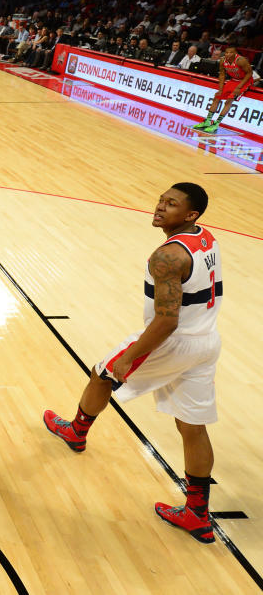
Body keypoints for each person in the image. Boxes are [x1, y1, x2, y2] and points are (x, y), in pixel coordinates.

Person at [44, 183, 221, 545]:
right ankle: (197, 515)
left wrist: (129, 358)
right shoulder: (205, 238)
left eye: (171, 204)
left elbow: (166, 320)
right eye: (161, 199)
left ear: (191, 215)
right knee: (193, 427)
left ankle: (76, 431)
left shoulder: (168, 256)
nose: (160, 207)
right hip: (206, 341)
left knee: (101, 373)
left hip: (173, 341)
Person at [192, 46, 253, 134]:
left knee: (228, 101)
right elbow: (222, 75)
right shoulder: (222, 60)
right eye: (227, 52)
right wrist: (220, 89)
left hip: (245, 81)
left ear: (235, 53)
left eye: (231, 52)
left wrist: (239, 87)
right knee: (217, 97)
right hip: (233, 80)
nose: (228, 54)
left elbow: (249, 73)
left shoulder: (240, 60)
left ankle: (216, 124)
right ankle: (207, 121)